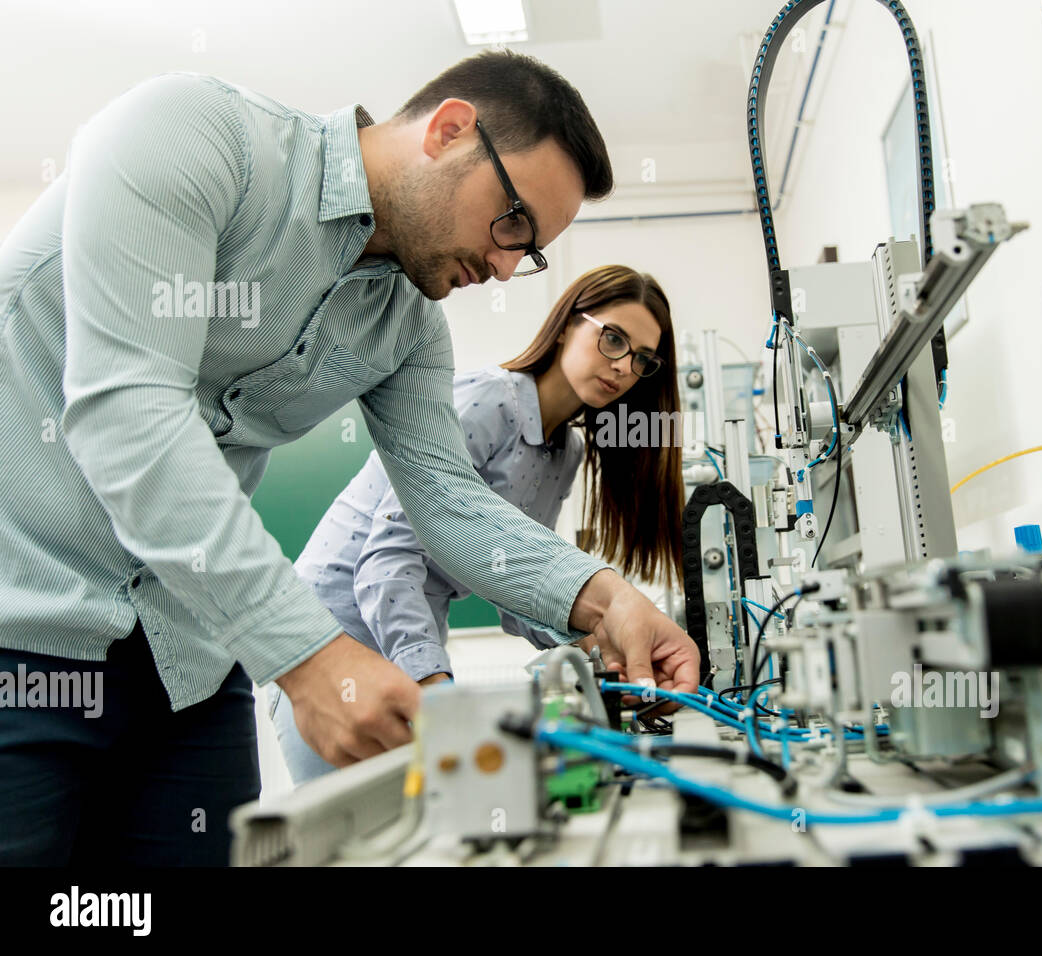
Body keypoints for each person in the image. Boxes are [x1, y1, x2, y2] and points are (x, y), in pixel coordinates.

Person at [0, 51, 698, 866]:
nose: (507, 266)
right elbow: (130, 413)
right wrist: (308, 654)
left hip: (186, 657)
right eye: (512, 223)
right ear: (448, 131)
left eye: (530, 251)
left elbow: (445, 497)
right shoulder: (194, 137)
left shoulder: (407, 324)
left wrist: (606, 598)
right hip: (25, 625)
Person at [272, 265, 685, 782]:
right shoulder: (489, 399)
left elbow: (513, 586)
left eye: (642, 359)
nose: (624, 366)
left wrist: (595, 643)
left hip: (407, 632)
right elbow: (388, 560)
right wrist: (434, 686)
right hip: (330, 636)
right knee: (350, 836)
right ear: (566, 326)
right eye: (613, 339)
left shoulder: (566, 451)